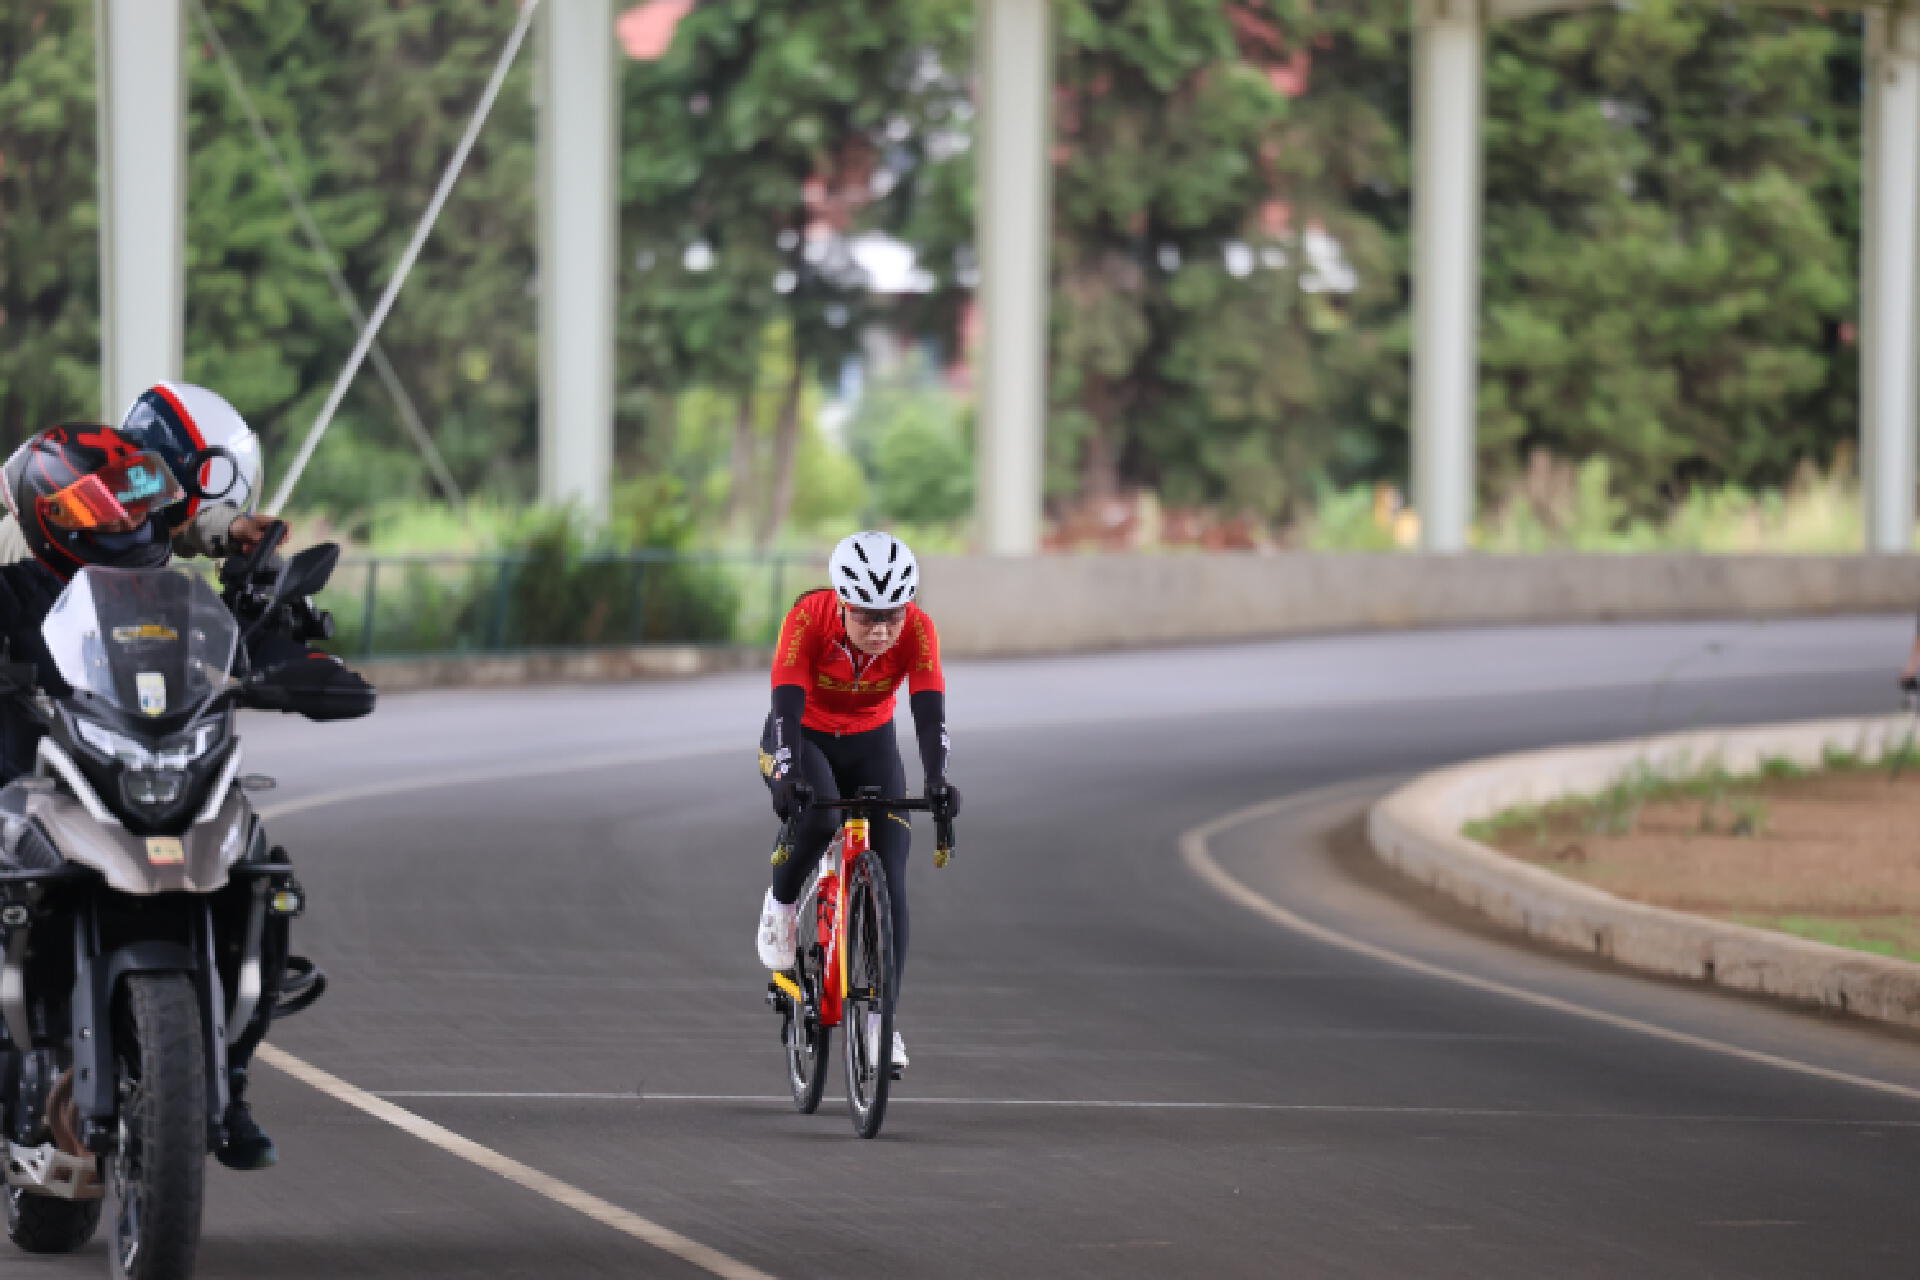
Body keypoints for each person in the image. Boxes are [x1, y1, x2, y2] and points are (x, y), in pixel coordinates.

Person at [0, 424, 303, 1170]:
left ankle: (228, 1081)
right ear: (53, 519)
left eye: (136, 506)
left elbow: (237, 634)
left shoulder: (174, 593)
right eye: (100, 510)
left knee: (261, 871)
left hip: (148, 773)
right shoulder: (12, 592)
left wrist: (281, 619)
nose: (126, 524)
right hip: (31, 784)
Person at [754, 531, 960, 1072]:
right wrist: (784, 771)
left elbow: (929, 712)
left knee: (891, 873)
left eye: (893, 615)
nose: (882, 629)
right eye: (868, 616)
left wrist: (938, 779)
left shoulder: (918, 630)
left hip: (871, 743)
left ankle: (878, 1024)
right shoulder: (808, 619)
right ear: (844, 604)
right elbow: (785, 703)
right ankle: (780, 905)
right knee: (818, 818)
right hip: (805, 736)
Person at [0, 381, 278, 564]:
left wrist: (229, 528)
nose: (136, 523)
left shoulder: (116, 494)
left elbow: (166, 523)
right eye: (199, 510)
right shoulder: (80, 539)